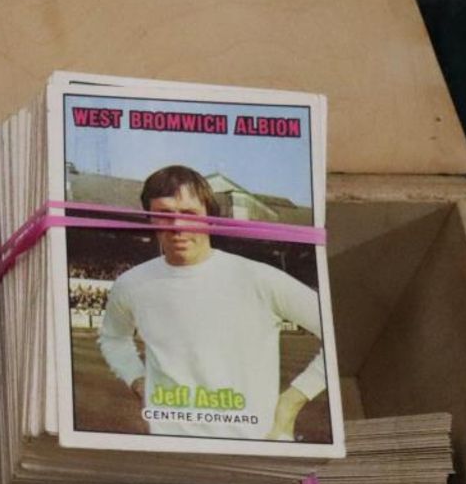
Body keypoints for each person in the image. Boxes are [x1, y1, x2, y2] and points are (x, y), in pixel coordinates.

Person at [94, 165, 327, 441]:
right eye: (164, 215)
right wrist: (139, 382)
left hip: (257, 441)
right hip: (170, 444)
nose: (178, 227)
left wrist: (290, 404)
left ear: (209, 218)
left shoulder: (258, 278)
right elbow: (113, 338)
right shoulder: (131, 284)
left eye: (190, 214)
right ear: (149, 220)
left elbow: (339, 334)